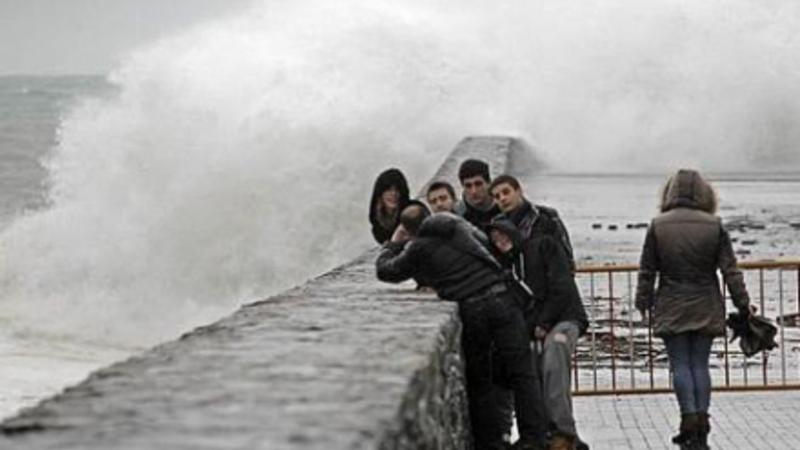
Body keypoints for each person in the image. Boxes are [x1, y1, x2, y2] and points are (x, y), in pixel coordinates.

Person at [376, 205, 546, 450]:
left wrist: (393, 244)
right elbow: (489, 247)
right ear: (429, 215)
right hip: (502, 298)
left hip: (472, 308)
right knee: (523, 373)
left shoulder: (418, 247)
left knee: (480, 381)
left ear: (408, 230)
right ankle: (534, 439)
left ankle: (491, 443)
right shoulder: (458, 225)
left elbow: (386, 271)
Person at [635, 169, 752, 450]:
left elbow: (647, 270)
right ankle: (702, 424)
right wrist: (743, 303)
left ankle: (688, 422)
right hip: (706, 302)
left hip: (671, 302)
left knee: (680, 366)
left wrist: (643, 302)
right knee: (700, 364)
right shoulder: (714, 225)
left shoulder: (658, 225)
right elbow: (730, 270)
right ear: (704, 193)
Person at [487, 216, 589, 450]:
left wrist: (543, 323)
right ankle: (538, 433)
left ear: (513, 232)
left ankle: (563, 432)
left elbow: (561, 287)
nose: (500, 240)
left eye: (503, 234)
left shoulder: (544, 246)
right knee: (527, 369)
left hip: (565, 318)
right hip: (535, 327)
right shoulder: (506, 269)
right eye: (494, 238)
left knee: (554, 358)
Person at [489, 175, 574, 271]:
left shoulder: (546, 217)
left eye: (506, 192)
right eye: (497, 197)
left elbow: (565, 253)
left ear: (519, 191)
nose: (502, 198)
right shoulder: (497, 227)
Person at [454, 159, 501, 233]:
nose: (474, 191)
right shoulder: (457, 215)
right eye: (468, 186)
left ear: (488, 183)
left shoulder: (504, 205)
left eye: (478, 184)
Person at [369, 168, 410, 244]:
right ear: (380, 194)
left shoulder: (414, 211)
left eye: (397, 190)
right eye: (388, 190)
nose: (393, 194)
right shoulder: (377, 225)